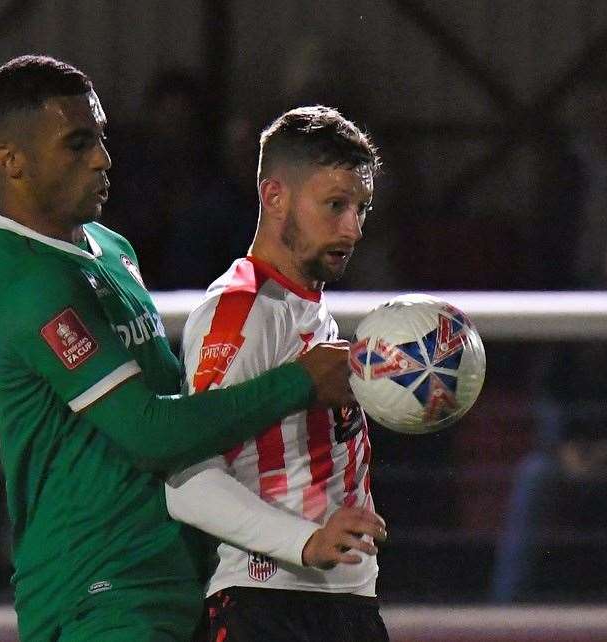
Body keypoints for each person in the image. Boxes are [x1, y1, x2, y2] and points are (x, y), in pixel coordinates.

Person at [0, 56, 353, 642]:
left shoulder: (108, 247)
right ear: (10, 162)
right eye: (77, 143)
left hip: (175, 580)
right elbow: (150, 431)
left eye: (100, 136)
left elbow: (176, 398)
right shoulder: (21, 277)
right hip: (97, 594)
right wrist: (301, 381)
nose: (102, 158)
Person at [165, 106, 390, 641]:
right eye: (335, 205)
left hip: (345, 599)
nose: (352, 228)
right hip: (267, 601)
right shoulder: (241, 311)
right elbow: (187, 481)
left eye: (362, 207)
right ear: (274, 196)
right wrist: (304, 542)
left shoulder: (310, 309)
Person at [492, 225, 607, 603]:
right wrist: (562, 445)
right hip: (573, 450)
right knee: (534, 473)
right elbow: (549, 391)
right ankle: (505, 601)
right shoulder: (584, 316)